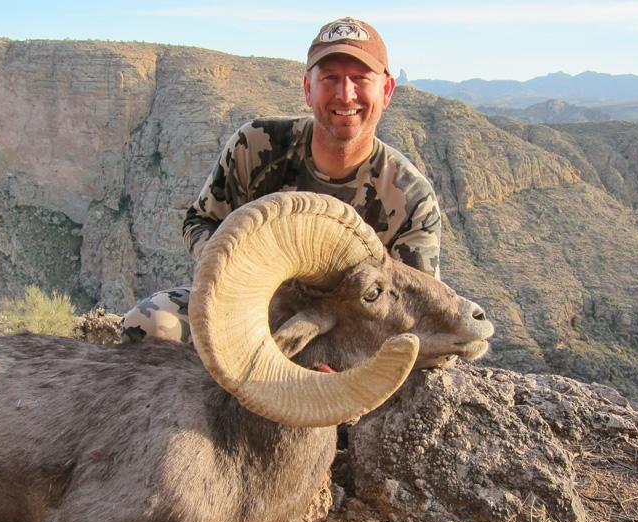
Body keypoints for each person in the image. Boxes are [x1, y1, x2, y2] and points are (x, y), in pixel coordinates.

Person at [122, 17, 442, 343]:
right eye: (330, 78)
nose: (346, 94)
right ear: (308, 88)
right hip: (245, 306)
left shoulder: (410, 197)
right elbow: (200, 221)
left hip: (349, 332)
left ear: (386, 90)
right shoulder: (257, 143)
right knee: (147, 325)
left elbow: (415, 309)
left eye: (360, 78)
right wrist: (231, 268)